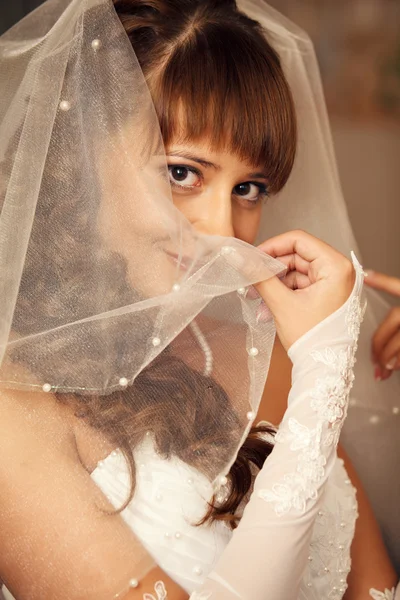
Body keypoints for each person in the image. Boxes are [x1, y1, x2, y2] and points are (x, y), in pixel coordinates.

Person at [0, 0, 398, 599]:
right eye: (182, 173)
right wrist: (325, 374)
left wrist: (319, 366)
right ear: (80, 156)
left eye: (249, 187)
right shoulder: (14, 409)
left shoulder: (276, 358)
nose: (220, 227)